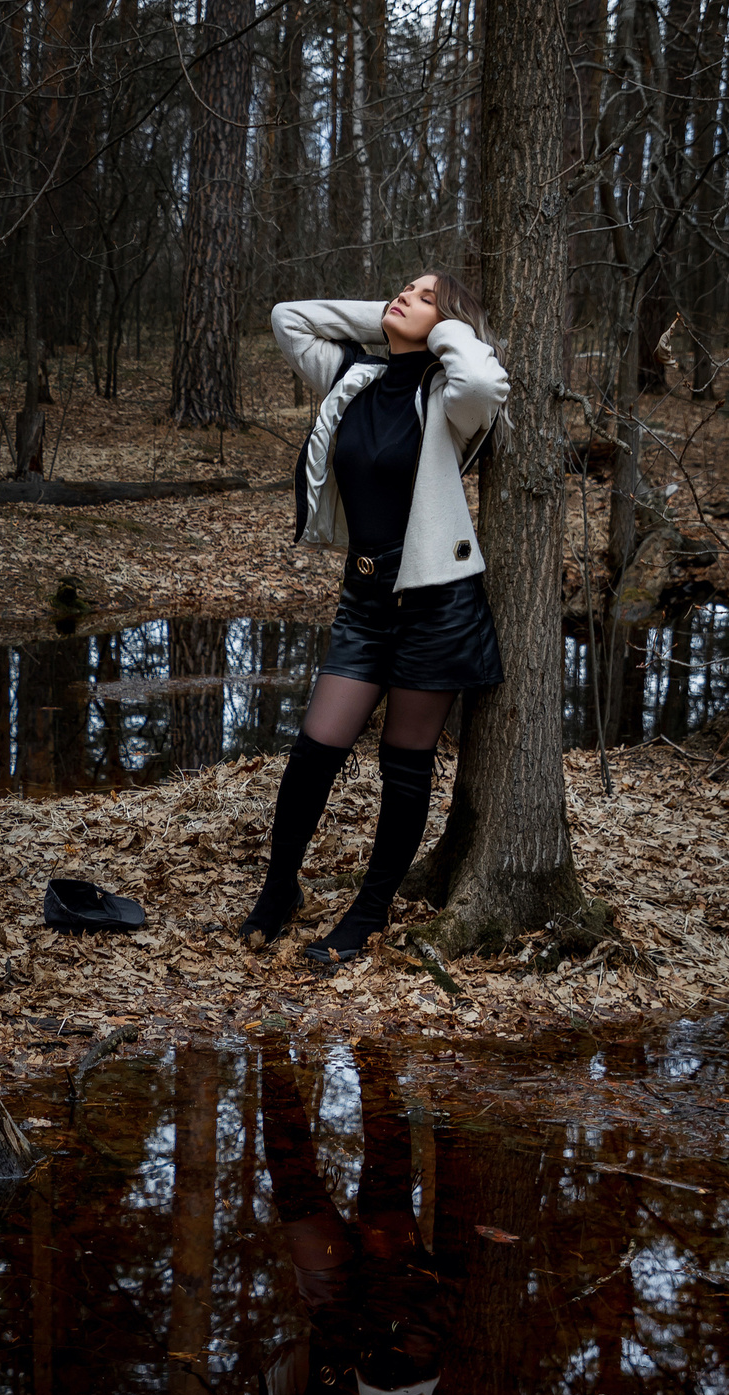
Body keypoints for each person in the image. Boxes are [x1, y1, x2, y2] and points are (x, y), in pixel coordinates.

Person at [240, 275, 510, 960]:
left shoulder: (448, 398)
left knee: (404, 764)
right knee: (314, 751)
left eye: (424, 295)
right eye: (403, 288)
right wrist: (394, 320)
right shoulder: (351, 373)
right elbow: (288, 314)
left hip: (436, 604)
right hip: (363, 599)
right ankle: (280, 889)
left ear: (450, 324)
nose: (403, 296)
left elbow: (483, 382)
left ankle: (368, 912)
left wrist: (443, 325)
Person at [222, 1042, 449, 1395]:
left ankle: (272, 1043)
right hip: (399, 1327)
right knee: (385, 1182)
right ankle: (373, 1044)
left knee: (294, 1188)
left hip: (334, 1314)